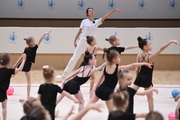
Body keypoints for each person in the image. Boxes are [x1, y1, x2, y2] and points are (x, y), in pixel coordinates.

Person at [57, 7, 122, 79]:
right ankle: (64, 74)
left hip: (91, 43)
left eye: (92, 11)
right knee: (74, 58)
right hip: (83, 41)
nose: (92, 12)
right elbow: (79, 31)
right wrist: (75, 40)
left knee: (92, 59)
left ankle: (91, 74)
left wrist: (114, 10)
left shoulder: (97, 22)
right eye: (90, 11)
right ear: (87, 13)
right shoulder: (84, 21)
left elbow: (105, 16)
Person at [88, 50, 152, 113]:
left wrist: (94, 89)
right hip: (108, 92)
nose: (120, 58)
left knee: (88, 106)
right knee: (111, 113)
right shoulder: (118, 68)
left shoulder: (105, 67)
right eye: (119, 57)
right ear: (114, 59)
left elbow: (99, 80)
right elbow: (132, 65)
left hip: (100, 89)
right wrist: (144, 63)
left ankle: (79, 116)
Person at [131, 36, 180, 111]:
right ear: (145, 47)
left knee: (129, 94)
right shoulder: (150, 57)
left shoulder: (139, 56)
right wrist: (171, 41)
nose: (152, 45)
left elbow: (137, 68)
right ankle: (151, 116)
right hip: (147, 79)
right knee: (150, 100)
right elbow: (161, 49)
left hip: (139, 77)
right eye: (150, 44)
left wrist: (138, 78)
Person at [13, 31, 51, 99]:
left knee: (12, 74)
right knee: (28, 80)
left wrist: (16, 64)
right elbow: (40, 40)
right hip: (27, 64)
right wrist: (44, 34)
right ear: (31, 43)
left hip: (22, 63)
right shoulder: (34, 48)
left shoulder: (26, 48)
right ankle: (28, 95)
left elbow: (22, 56)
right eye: (34, 41)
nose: (36, 41)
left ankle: (2, 81)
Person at [0, 53, 26, 120]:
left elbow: (10, 76)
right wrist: (24, 60)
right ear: (9, 62)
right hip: (2, 92)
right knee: (4, 107)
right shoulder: (8, 71)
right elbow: (20, 69)